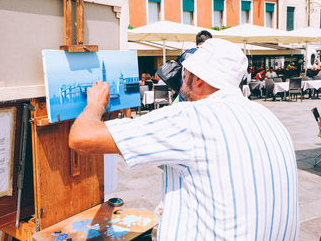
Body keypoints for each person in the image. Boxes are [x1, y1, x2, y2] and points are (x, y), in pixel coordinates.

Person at [69, 39, 299, 240]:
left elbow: (81, 138)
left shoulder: (191, 117)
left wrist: (95, 105)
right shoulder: (266, 115)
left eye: (185, 74)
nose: (181, 81)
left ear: (198, 79)